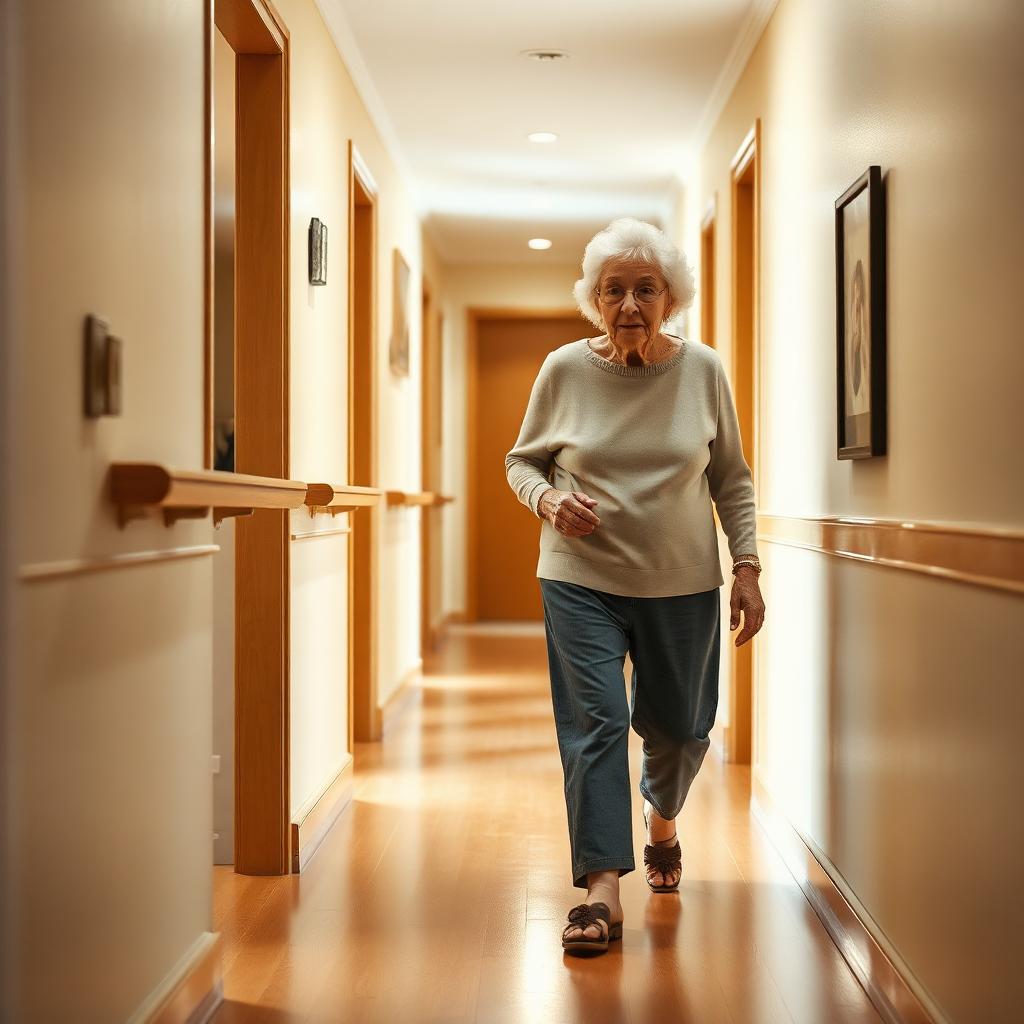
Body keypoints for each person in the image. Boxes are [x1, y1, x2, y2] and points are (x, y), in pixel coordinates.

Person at [504, 217, 765, 956]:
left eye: (643, 289)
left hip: (680, 581)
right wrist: (550, 501)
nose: (627, 304)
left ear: (670, 296)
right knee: (595, 727)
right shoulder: (563, 370)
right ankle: (600, 892)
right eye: (612, 290)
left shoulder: (704, 371)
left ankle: (663, 823)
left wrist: (746, 565)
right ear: (593, 298)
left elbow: (731, 479)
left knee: (680, 729)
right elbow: (522, 462)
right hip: (579, 578)